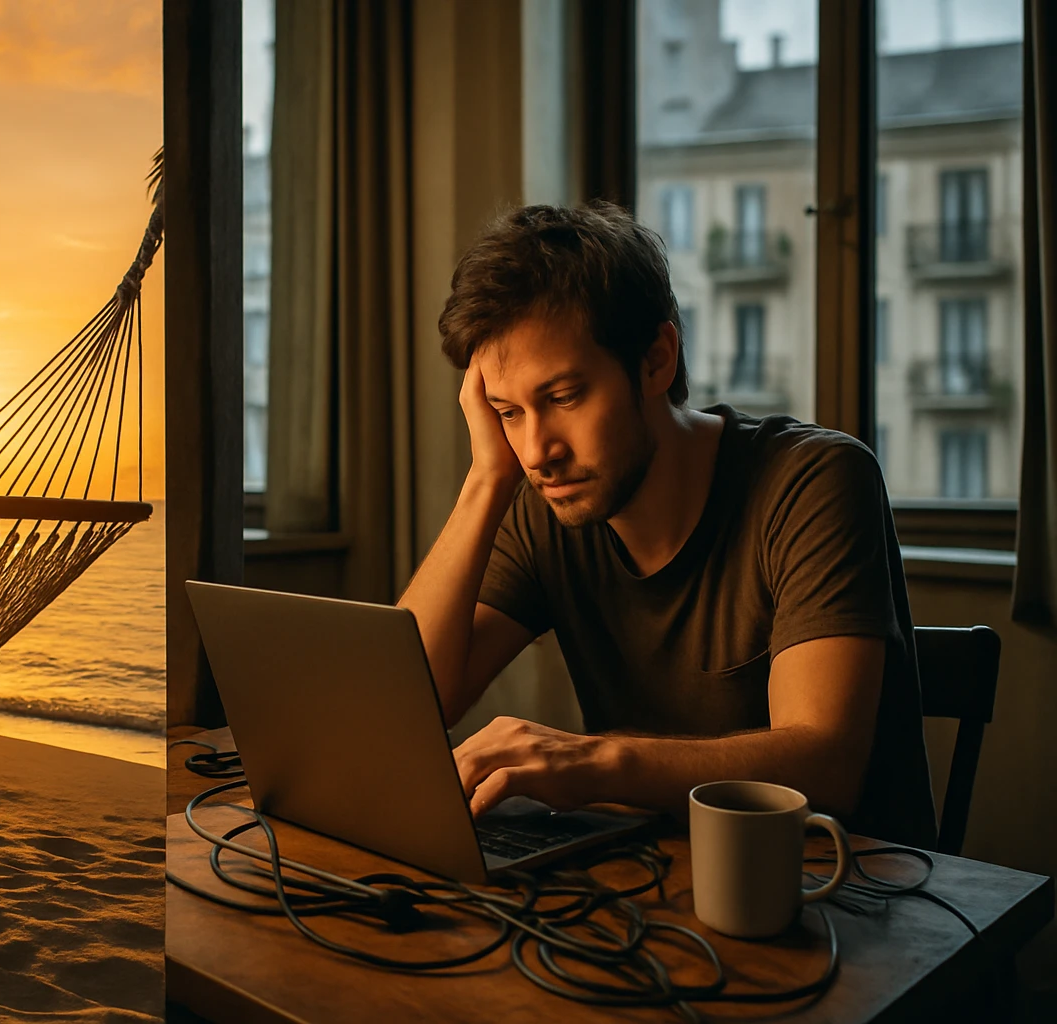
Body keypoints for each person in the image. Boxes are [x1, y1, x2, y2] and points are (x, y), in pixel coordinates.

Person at [397, 201, 937, 849]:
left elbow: (824, 765)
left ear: (657, 360)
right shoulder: (547, 503)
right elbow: (410, 709)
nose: (537, 450)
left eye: (563, 398)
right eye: (508, 412)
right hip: (653, 885)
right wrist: (487, 480)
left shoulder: (813, 480)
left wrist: (598, 761)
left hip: (842, 895)